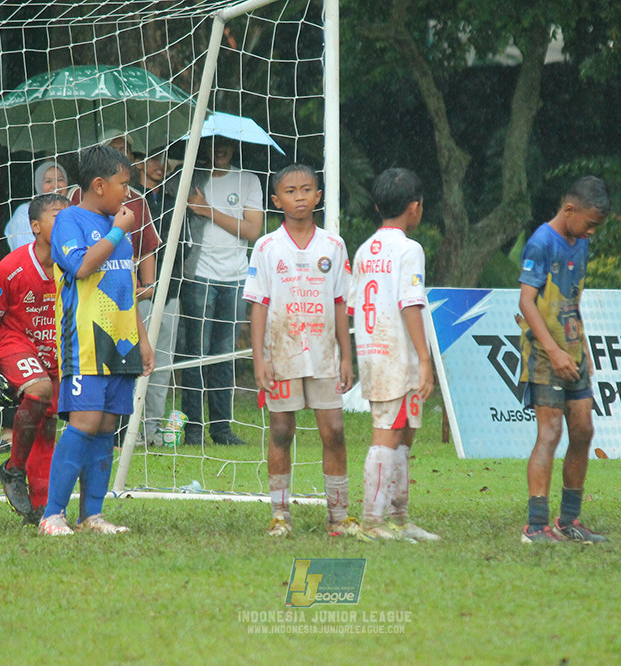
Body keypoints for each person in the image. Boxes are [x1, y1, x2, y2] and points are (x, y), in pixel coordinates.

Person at [38, 144, 154, 536]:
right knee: (84, 422)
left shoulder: (119, 228)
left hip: (121, 342)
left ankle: (92, 515)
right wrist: (119, 229)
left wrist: (142, 339)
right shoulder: (69, 220)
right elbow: (83, 266)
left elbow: (126, 287)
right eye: (124, 184)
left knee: (106, 426)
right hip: (85, 340)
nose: (129, 193)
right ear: (100, 185)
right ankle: (52, 515)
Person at [244, 164, 358, 537]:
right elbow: (258, 305)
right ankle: (280, 515)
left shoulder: (333, 246)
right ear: (277, 200)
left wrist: (346, 355)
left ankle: (338, 516)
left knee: (334, 430)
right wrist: (260, 359)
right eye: (290, 192)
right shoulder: (267, 247)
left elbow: (340, 303)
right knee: (281, 430)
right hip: (281, 355)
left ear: (318, 196)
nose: (300, 198)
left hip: (324, 355)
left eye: (307, 190)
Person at [518, 176, 610, 544]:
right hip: (545, 354)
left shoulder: (581, 243)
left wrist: (580, 347)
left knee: (584, 430)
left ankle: (569, 520)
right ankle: (535, 525)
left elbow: (571, 300)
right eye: (590, 223)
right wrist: (554, 351)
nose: (591, 232)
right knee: (550, 433)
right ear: (569, 209)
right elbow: (526, 302)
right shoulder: (541, 242)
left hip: (573, 351)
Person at [349, 167, 439, 542]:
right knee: (387, 434)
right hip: (397, 355)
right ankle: (372, 521)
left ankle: (399, 518)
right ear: (415, 207)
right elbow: (410, 302)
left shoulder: (364, 250)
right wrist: (425, 359)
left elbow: (353, 307)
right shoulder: (409, 249)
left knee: (403, 432)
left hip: (374, 351)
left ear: (376, 206)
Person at [0, 193, 70, 525]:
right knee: (40, 389)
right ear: (35, 226)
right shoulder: (11, 266)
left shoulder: (74, 264)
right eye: (57, 216)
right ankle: (14, 468)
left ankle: (41, 507)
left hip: (56, 350)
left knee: (47, 426)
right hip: (16, 343)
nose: (65, 222)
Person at [180, 136, 264, 446]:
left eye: (226, 143)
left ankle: (221, 429)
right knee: (195, 355)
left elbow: (252, 230)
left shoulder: (249, 180)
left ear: (235, 146)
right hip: (199, 276)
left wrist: (208, 210)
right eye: (215, 143)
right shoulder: (192, 178)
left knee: (224, 355)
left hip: (236, 278)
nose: (221, 149)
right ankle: (193, 430)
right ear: (205, 146)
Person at [138, 145, 189, 445]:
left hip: (168, 294)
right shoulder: (131, 200)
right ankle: (127, 427)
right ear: (138, 162)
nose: (161, 165)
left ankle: (152, 429)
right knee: (135, 363)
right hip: (136, 297)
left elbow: (183, 248)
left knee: (162, 365)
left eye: (166, 160)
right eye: (155, 158)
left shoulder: (174, 201)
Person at [4, 161, 69, 251]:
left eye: (60, 179)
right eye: (48, 181)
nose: (55, 186)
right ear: (38, 184)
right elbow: (25, 251)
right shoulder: (25, 212)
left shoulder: (72, 210)